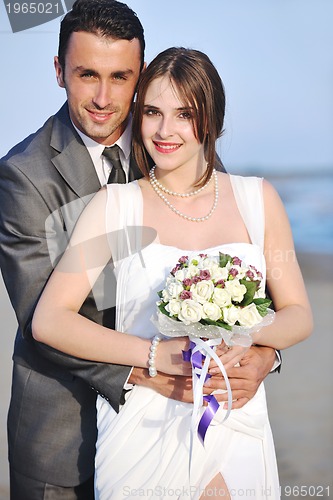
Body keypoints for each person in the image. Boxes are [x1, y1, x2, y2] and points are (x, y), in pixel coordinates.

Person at [0, 1, 277, 499]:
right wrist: (157, 365)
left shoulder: (174, 137)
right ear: (60, 71)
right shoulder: (22, 177)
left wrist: (265, 352)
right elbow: (43, 324)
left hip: (185, 414)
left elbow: (233, 268)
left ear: (141, 74)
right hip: (64, 434)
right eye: (87, 75)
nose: (104, 98)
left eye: (121, 77)